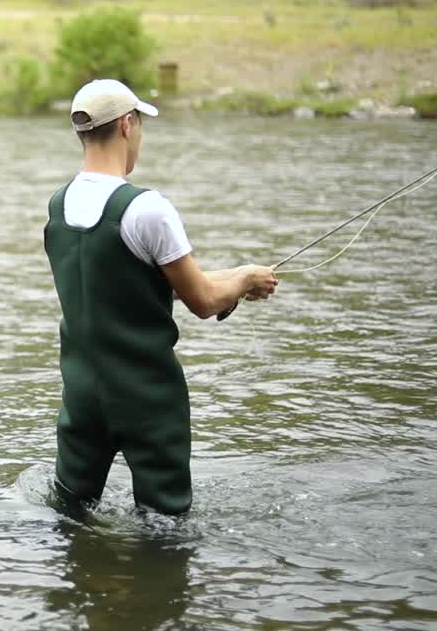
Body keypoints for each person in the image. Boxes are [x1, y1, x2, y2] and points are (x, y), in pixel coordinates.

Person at [44, 78, 278, 516]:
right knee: (165, 526)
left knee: (70, 514)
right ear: (128, 125)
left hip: (81, 396)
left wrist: (238, 275)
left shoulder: (59, 206)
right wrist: (246, 280)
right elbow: (204, 300)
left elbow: (124, 282)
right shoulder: (147, 208)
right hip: (146, 397)